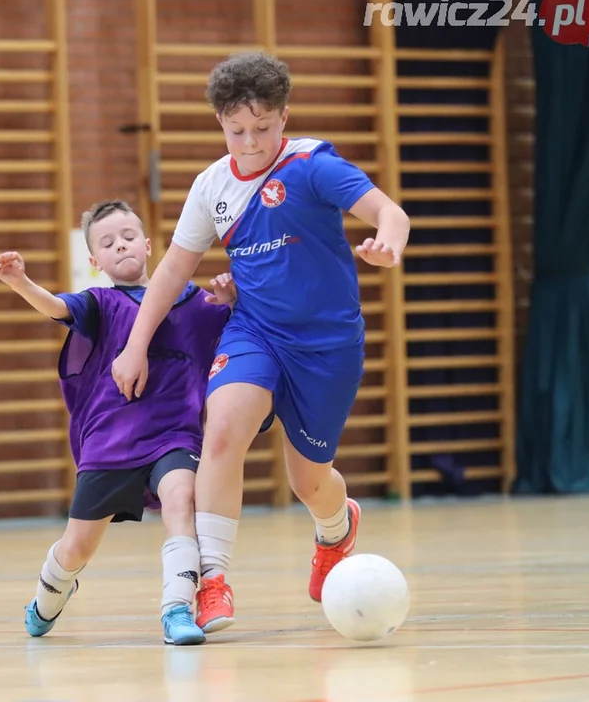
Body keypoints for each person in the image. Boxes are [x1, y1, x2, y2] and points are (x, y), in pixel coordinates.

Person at [110, 51, 411, 635]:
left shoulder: (312, 165)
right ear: (221, 125)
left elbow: (389, 212)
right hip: (254, 331)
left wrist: (387, 243)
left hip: (326, 345)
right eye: (236, 130)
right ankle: (212, 580)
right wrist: (135, 345)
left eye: (263, 128)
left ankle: (335, 527)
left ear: (285, 116)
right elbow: (171, 270)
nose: (250, 143)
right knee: (222, 429)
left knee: (309, 481)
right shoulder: (212, 186)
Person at [0, 199, 237, 645]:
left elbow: (236, 333)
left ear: (148, 245)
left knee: (182, 501)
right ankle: (47, 598)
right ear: (94, 261)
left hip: (174, 437)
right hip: (110, 444)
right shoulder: (99, 304)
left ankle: (177, 610)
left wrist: (230, 300)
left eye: (127, 237)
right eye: (107, 243)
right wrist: (20, 282)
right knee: (77, 547)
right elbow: (54, 307)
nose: (119, 246)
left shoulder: (194, 300)